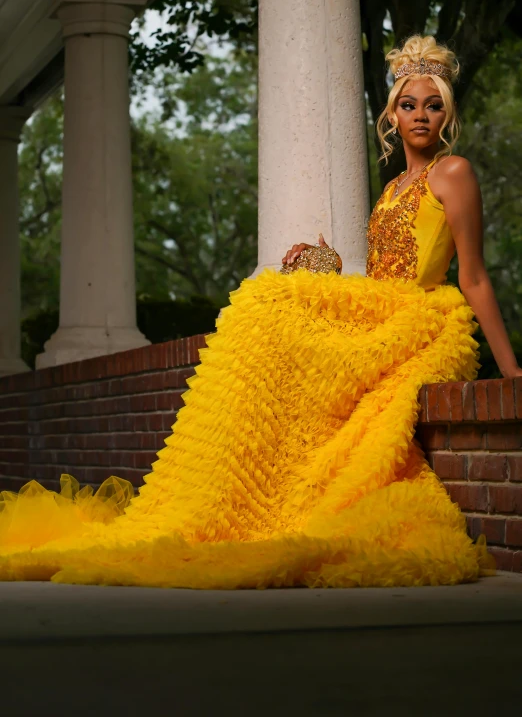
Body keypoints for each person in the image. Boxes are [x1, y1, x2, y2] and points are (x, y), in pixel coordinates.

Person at [0, 35, 517, 588]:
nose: (421, 116)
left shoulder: (453, 173)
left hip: (412, 317)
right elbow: (383, 268)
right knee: (267, 307)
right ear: (392, 112)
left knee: (268, 306)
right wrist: (327, 263)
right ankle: (227, 490)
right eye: (409, 105)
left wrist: (511, 372)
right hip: (378, 308)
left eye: (433, 105)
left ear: (447, 113)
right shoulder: (392, 188)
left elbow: (473, 275)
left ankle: (255, 492)